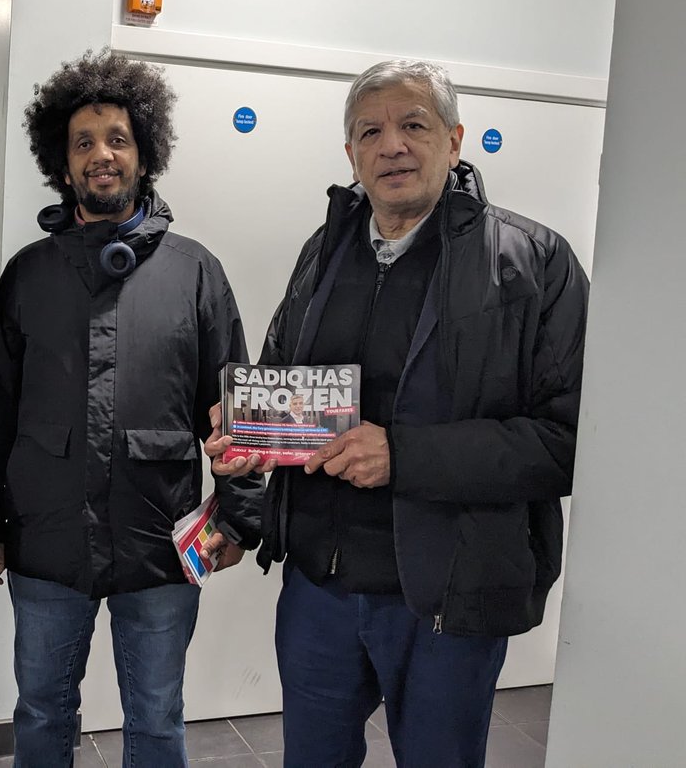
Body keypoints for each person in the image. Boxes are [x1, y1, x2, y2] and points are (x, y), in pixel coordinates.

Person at [207, 60, 588, 766]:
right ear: (350, 154)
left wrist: (403, 455)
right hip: (318, 588)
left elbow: (569, 442)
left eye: (413, 125)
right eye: (370, 132)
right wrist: (252, 437)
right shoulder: (320, 253)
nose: (392, 146)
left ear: (454, 138)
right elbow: (284, 384)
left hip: (449, 595)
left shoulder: (534, 263)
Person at [0, 50, 264, 767]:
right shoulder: (27, 275)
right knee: (41, 712)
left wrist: (239, 515)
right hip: (44, 543)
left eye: (118, 139)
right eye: (84, 143)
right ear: (61, 162)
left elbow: (235, 407)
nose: (102, 155)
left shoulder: (196, 271)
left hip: (159, 544)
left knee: (158, 718)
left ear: (144, 153)